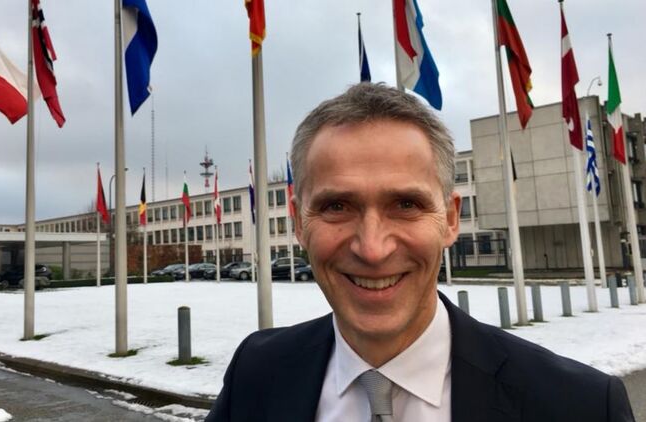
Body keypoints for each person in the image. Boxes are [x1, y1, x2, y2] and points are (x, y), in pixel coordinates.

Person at [206, 83, 634, 421]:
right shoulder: (256, 373)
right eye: (337, 206)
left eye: (406, 204)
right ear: (299, 222)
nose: (373, 249)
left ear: (450, 219)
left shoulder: (579, 407)